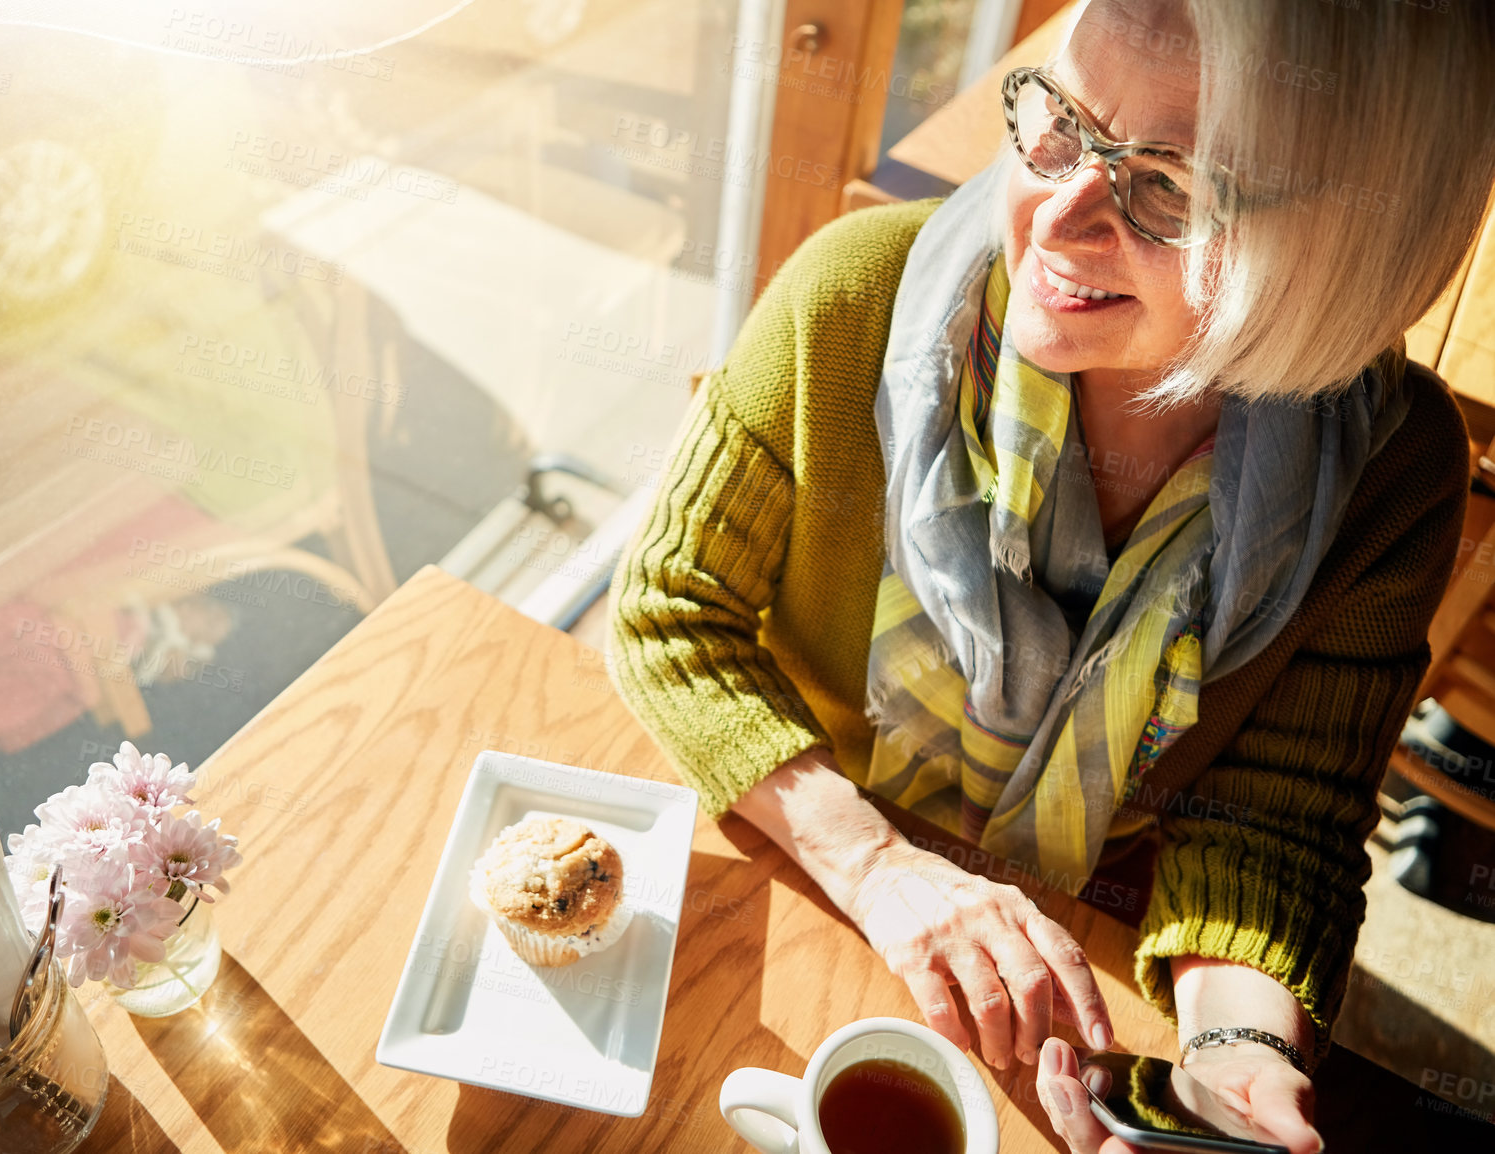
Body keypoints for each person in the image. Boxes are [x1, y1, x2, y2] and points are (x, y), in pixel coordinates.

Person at [605, 2, 1495, 1151]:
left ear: (1349, 244)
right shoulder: (851, 294)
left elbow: (1278, 823)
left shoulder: (1394, 467)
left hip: (1079, 956)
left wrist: (1235, 1056)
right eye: (1059, 121)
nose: (1059, 215)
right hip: (799, 858)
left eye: (1170, 186)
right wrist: (881, 866)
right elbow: (669, 610)